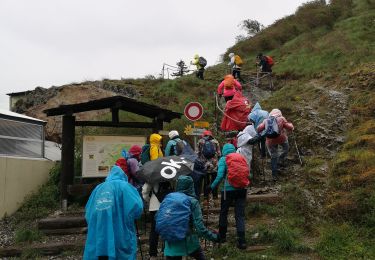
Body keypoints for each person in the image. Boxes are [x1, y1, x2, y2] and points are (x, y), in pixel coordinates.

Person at [83, 165, 143, 260]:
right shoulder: (125, 187)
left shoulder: (98, 189)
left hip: (99, 235)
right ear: (123, 176)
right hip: (120, 233)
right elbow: (137, 208)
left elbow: (89, 213)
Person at [163, 175, 219, 260]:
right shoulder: (193, 202)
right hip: (188, 241)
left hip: (170, 241)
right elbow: (199, 227)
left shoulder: (169, 199)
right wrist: (214, 237)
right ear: (191, 186)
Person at [208, 143, 248, 249]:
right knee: (240, 215)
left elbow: (220, 176)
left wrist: (211, 187)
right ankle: (242, 241)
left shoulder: (223, 159)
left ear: (224, 150)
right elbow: (248, 173)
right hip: (242, 189)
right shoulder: (241, 157)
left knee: (224, 213)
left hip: (228, 190)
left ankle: (222, 236)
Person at [141, 133, 164, 259]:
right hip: (167, 205)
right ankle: (167, 251)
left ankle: (153, 255)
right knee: (167, 227)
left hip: (155, 206)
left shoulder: (152, 174)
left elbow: (145, 191)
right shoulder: (168, 173)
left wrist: (149, 201)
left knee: (154, 231)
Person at [257, 109, 294, 180]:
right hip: (281, 138)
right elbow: (289, 127)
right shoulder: (281, 118)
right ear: (279, 113)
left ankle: (274, 175)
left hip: (270, 141)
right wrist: (292, 126)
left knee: (274, 156)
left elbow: (258, 129)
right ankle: (280, 159)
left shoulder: (266, 120)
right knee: (286, 148)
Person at [197, 130, 221, 201]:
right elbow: (219, 153)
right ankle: (215, 196)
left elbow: (197, 153)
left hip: (204, 165)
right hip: (214, 165)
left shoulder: (200, 141)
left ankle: (205, 196)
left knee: (206, 181)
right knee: (214, 180)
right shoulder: (216, 141)